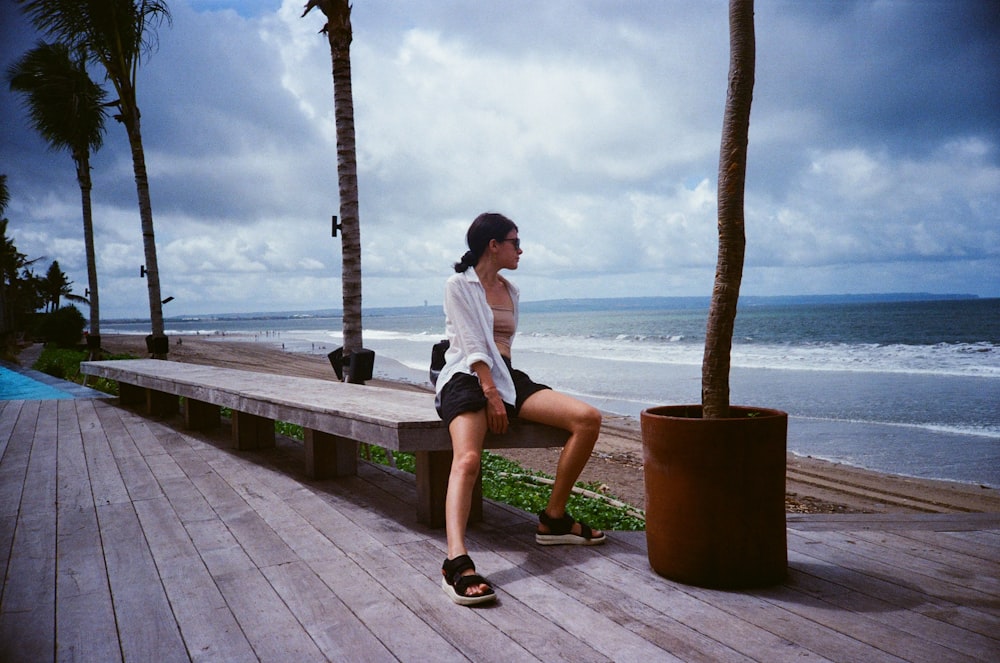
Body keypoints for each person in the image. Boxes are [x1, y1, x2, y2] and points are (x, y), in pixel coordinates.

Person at [436, 212, 605, 606]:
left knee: (587, 419)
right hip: (466, 376)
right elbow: (473, 344)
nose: (521, 249)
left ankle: (553, 518)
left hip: (506, 377)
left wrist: (503, 390)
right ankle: (455, 561)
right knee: (467, 460)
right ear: (493, 245)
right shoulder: (458, 285)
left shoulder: (511, 290)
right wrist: (490, 394)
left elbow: (503, 352)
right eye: (515, 242)